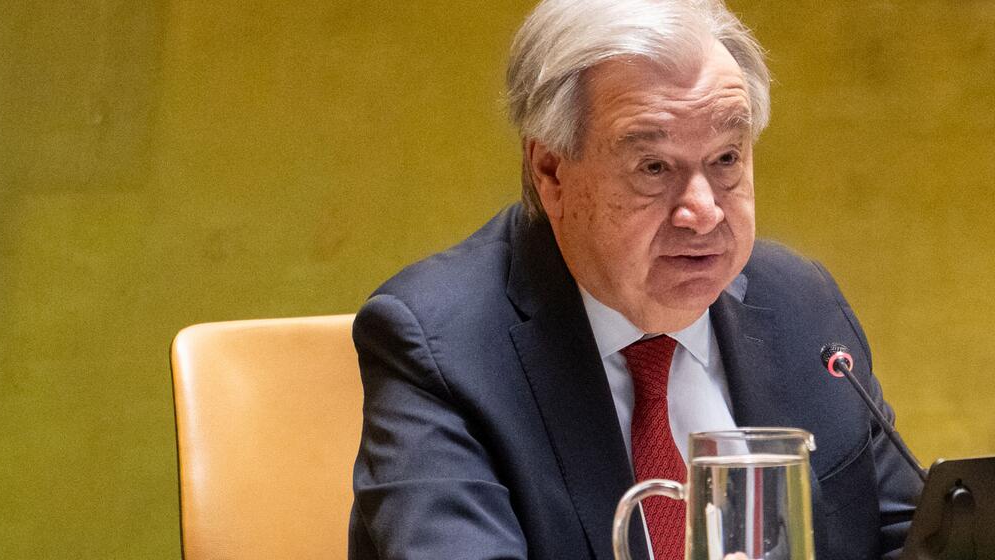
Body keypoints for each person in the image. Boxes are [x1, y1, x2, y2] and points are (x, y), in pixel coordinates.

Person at [347, 1, 923, 559]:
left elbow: (914, 538)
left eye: (726, 159)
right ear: (550, 171)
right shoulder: (440, 346)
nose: (704, 212)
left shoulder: (799, 303)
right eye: (654, 168)